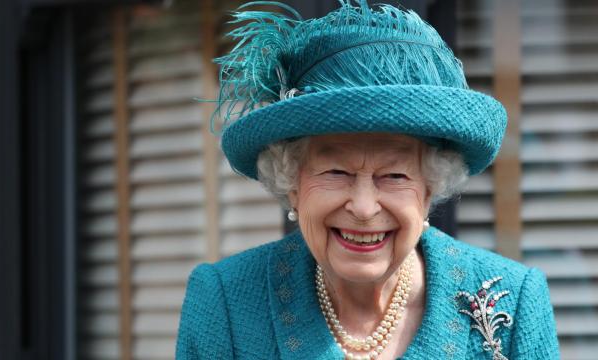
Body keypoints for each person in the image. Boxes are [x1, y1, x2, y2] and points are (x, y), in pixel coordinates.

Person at [176, 1, 559, 359]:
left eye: (394, 175)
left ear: (429, 188)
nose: (362, 207)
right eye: (335, 172)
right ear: (292, 182)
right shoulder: (224, 302)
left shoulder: (514, 301)